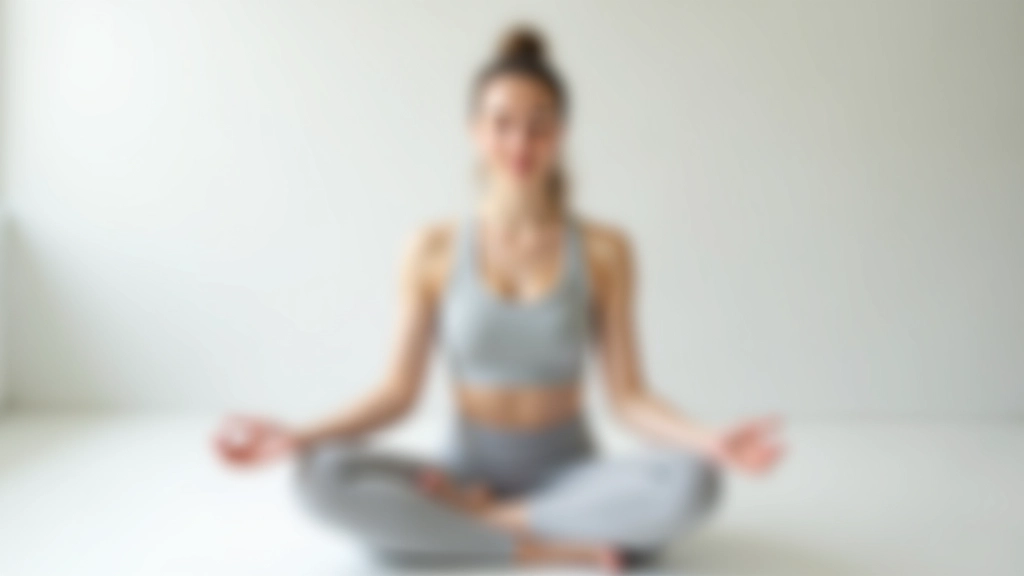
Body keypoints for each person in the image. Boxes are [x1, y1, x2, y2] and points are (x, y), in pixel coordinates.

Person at [213, 24, 784, 573]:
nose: (520, 142)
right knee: (318, 478)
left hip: (570, 474)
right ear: (474, 131)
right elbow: (397, 392)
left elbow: (629, 397)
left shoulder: (606, 250)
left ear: (561, 132)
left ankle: (476, 529)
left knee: (694, 482)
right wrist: (297, 436)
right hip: (459, 474)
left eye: (539, 124)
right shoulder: (432, 248)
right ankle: (552, 547)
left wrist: (711, 440)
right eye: (502, 123)